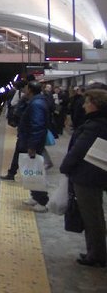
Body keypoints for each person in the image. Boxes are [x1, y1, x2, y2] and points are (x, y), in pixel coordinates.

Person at [59, 87, 107, 267]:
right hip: (95, 173)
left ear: (96, 105)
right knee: (95, 215)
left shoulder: (94, 126)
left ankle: (97, 255)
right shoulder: (100, 123)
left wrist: (65, 167)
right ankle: (95, 251)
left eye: (88, 102)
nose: (84, 105)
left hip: (88, 175)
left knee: (91, 216)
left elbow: (78, 150)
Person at [0, 81, 50, 211]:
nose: (24, 91)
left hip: (30, 142)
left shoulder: (37, 104)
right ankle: (35, 196)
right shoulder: (35, 102)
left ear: (30, 90)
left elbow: (37, 126)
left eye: (26, 89)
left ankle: (42, 201)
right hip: (26, 140)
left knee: (35, 171)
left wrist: (32, 146)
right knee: (30, 170)